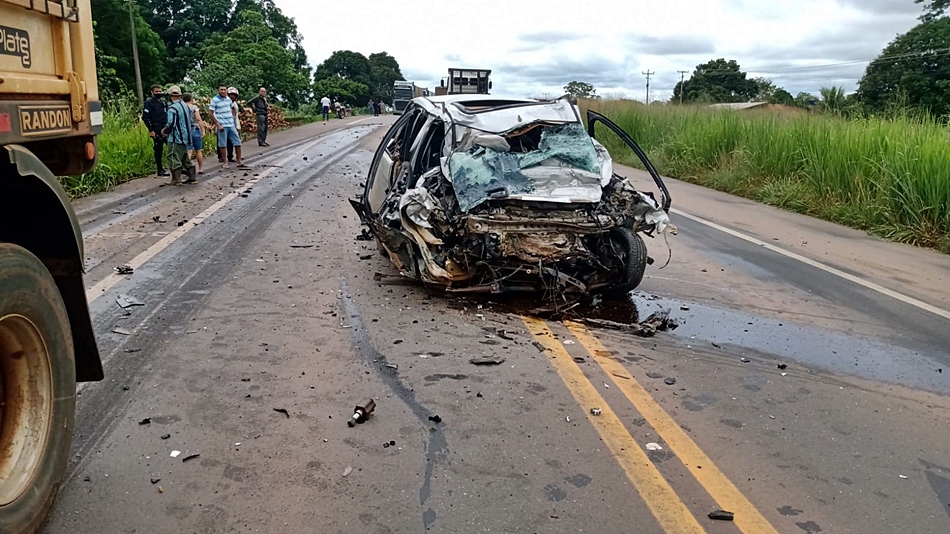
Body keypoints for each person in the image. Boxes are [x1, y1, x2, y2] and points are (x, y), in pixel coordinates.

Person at [160, 86, 197, 185]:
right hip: (186, 136)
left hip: (176, 137)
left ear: (170, 96)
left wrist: (164, 131)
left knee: (172, 156)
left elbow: (171, 123)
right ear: (180, 95)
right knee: (184, 156)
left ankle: (176, 179)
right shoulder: (185, 106)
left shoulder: (173, 108)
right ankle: (192, 177)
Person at [209, 84, 245, 168]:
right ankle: (225, 162)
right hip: (222, 125)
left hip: (231, 124)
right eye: (221, 89)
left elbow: (233, 108)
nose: (223, 91)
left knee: (237, 142)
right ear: (218, 90)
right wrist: (217, 124)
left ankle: (239, 161)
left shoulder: (228, 99)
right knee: (223, 144)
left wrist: (233, 117)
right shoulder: (215, 100)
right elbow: (210, 113)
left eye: (224, 89)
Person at [142, 84, 169, 176]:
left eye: (160, 91)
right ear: (152, 92)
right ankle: (160, 169)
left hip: (165, 129)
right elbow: (145, 117)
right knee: (158, 150)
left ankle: (176, 167)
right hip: (156, 129)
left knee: (172, 147)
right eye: (156, 91)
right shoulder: (149, 103)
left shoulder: (163, 102)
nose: (158, 93)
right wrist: (151, 130)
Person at [182, 93, 206, 174]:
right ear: (191, 99)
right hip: (195, 129)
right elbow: (198, 119)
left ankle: (187, 167)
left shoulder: (182, 107)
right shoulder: (194, 108)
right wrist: (203, 130)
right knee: (198, 150)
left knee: (189, 150)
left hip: (185, 130)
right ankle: (201, 168)